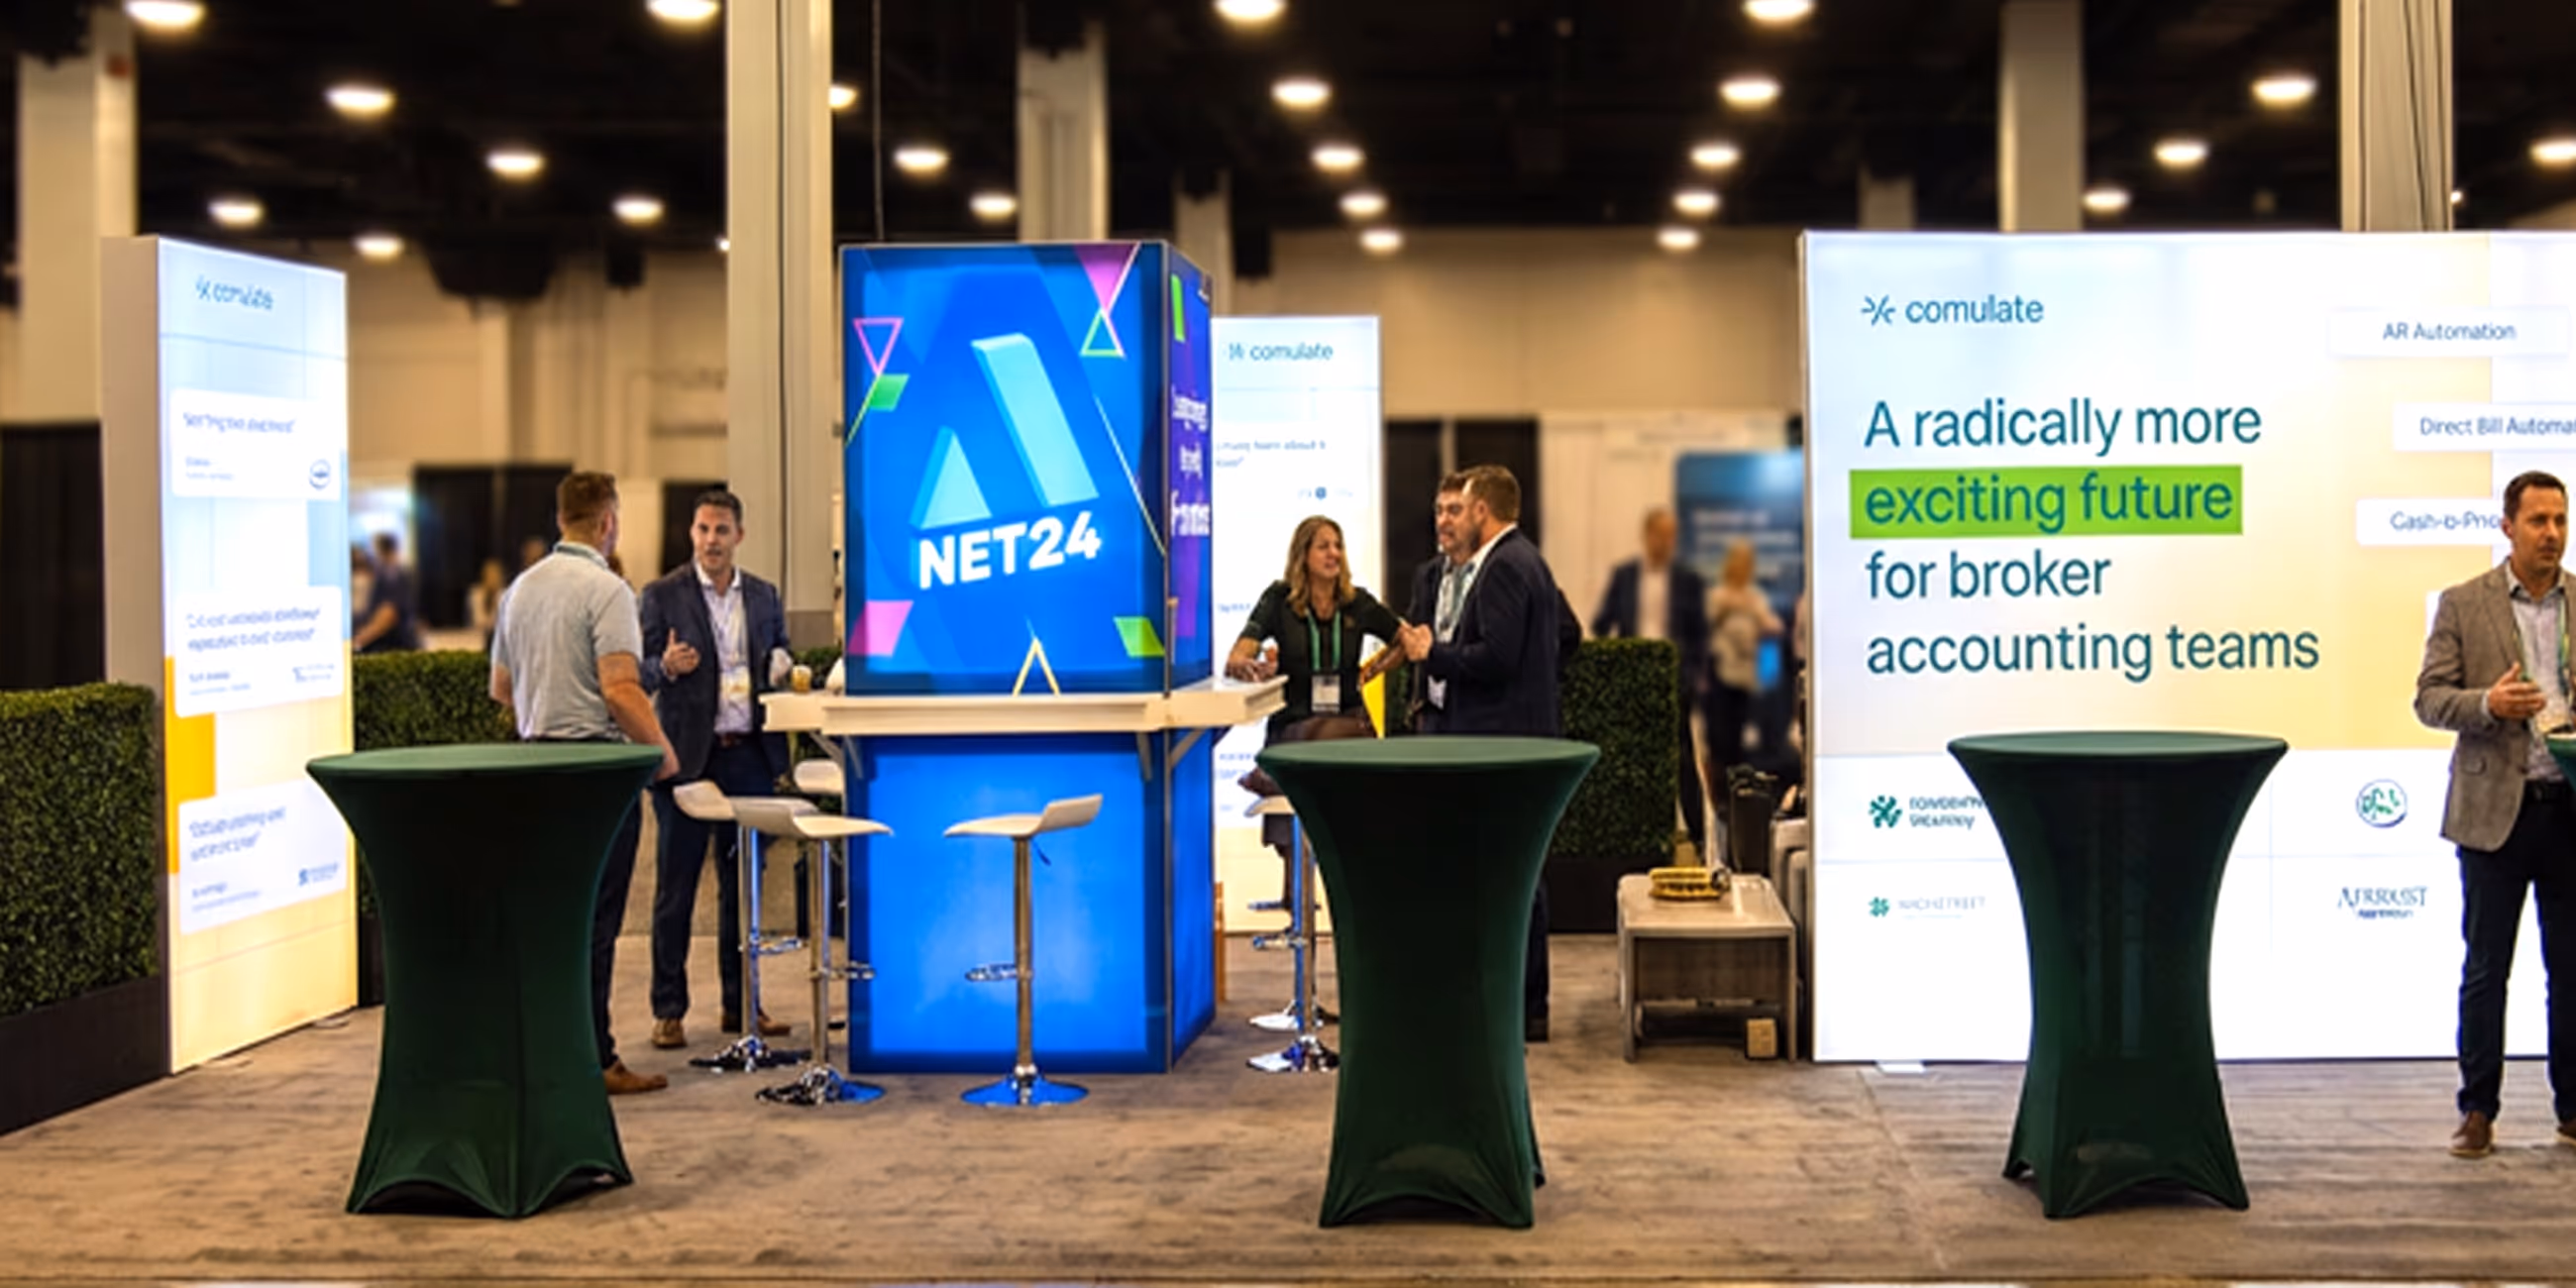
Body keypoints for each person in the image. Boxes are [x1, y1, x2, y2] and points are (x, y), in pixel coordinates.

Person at [488, 471, 681, 1096]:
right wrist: (664, 752)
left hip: (532, 768)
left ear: (559, 519)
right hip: (594, 776)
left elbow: (500, 688)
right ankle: (595, 1061)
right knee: (597, 926)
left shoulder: (519, 590)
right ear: (607, 522)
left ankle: (546, 1053)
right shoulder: (606, 589)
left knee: (553, 924)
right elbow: (621, 688)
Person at [2415, 469, 2576, 1158]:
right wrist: (2489, 704)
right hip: (2492, 814)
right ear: (2507, 526)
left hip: (2568, 810)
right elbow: (2428, 699)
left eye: (2561, 521)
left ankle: (2573, 1111)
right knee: (2487, 969)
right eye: (2538, 521)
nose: (2552, 534)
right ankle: (2477, 1110)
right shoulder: (2463, 604)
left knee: (2571, 970)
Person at [1399, 465, 1570, 1041]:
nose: (1452, 517)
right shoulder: (1521, 562)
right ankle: (1520, 1009)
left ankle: (1519, 1009)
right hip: (1504, 738)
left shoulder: (1504, 567)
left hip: (1503, 744)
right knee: (1514, 875)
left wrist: (1433, 653)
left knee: (1511, 877)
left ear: (1483, 511)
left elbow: (1496, 659)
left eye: (1463, 507)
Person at [637, 488, 799, 1051]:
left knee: (743, 892)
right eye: (703, 529)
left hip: (747, 756)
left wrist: (781, 662)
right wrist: (665, 665)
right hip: (685, 760)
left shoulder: (763, 595)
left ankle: (741, 1006)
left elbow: (779, 649)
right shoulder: (660, 596)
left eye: (721, 530)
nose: (711, 540)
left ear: (739, 536)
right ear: (692, 534)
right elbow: (637, 673)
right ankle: (668, 1010)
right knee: (675, 891)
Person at [1229, 515, 1405, 892]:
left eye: (1338, 545)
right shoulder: (1278, 599)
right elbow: (1238, 655)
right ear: (1303, 554)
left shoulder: (1357, 602)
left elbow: (1404, 640)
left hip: (1346, 724)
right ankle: (1298, 892)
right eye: (1324, 546)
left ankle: (1272, 777)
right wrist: (1250, 666)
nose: (1334, 554)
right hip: (1294, 721)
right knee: (1304, 745)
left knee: (1318, 750)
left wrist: (1372, 670)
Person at [1592, 507, 1713, 855]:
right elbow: (1602, 622)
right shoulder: (1625, 576)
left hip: (1675, 679)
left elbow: (1700, 635)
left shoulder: (1688, 581)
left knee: (1683, 757)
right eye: (1661, 534)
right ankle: (1644, 835)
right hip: (1635, 677)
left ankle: (1699, 837)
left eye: (1672, 535)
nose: (1666, 541)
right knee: (1639, 757)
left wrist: (1690, 674)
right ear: (1647, 535)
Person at [1705, 538, 1783, 796]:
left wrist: (1758, 616)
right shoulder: (1716, 595)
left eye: (1746, 562)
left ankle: (1739, 795)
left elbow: (1773, 626)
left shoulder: (1756, 597)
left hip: (1747, 677)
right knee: (1720, 740)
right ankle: (1718, 795)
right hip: (1720, 676)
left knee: (1741, 741)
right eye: (1737, 561)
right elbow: (1706, 626)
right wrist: (1729, 608)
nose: (1742, 567)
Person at [469, 558, 508, 651]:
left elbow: (498, 622)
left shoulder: (504, 594)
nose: (492, 578)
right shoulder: (476, 593)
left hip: (498, 640)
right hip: (475, 637)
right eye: (489, 575)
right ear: (484, 576)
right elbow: (477, 620)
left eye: (495, 575)